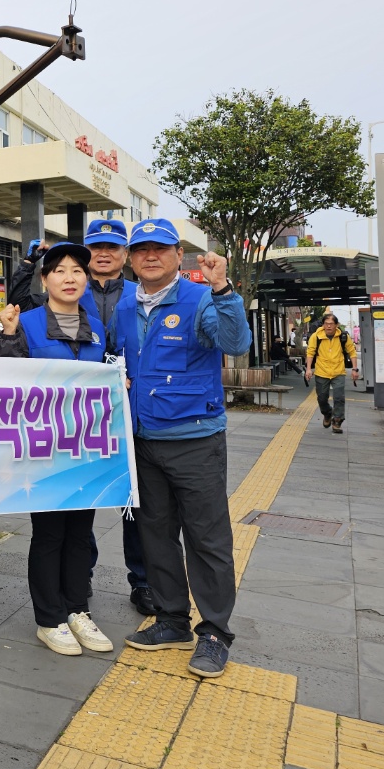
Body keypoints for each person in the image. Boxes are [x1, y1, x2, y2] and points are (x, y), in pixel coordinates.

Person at [113, 219, 251, 679]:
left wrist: (224, 289)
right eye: (141, 249)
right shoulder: (124, 306)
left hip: (195, 439)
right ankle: (171, 619)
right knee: (155, 534)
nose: (150, 256)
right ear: (131, 258)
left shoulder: (200, 299)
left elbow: (235, 342)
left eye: (160, 248)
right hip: (143, 440)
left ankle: (214, 632)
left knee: (207, 538)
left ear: (178, 255)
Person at [0, 243, 115, 657]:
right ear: (44, 281)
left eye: (77, 270)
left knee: (81, 533)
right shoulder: (22, 323)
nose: (69, 277)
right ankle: (50, 619)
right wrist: (7, 335)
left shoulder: (94, 327)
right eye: (59, 270)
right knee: (49, 534)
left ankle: (77, 608)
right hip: (41, 450)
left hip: (85, 448)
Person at [305, 313, 358, 432]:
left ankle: (337, 420)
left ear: (336, 325)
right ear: (323, 325)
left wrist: (354, 369)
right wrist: (308, 369)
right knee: (322, 398)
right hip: (321, 371)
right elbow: (310, 352)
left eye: (331, 324)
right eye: (326, 324)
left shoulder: (343, 336)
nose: (328, 326)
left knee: (339, 397)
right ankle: (327, 413)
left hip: (338, 371)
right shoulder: (316, 336)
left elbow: (352, 352)